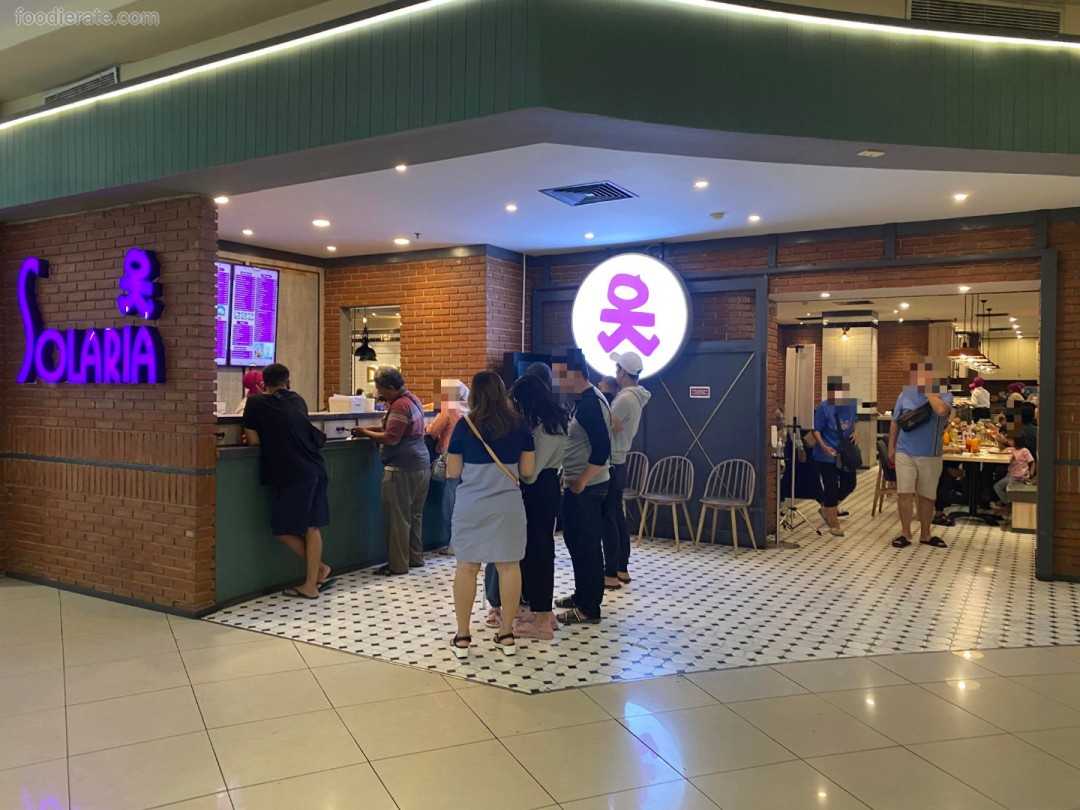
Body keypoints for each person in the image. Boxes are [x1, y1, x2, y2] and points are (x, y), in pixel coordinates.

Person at [446, 371, 535, 658]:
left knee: (467, 567)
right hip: (507, 506)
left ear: (474, 395)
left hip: (471, 506)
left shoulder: (464, 425)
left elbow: (453, 471)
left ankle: (462, 637)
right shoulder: (520, 425)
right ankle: (506, 634)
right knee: (509, 567)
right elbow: (527, 471)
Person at [241, 364, 330, 599]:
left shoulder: (255, 402)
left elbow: (253, 440)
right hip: (317, 467)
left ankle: (319, 571)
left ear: (263, 384)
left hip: (291, 473)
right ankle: (312, 582)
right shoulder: (298, 400)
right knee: (312, 527)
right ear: (288, 382)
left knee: (282, 529)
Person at [553, 349, 612, 625]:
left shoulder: (590, 404)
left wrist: (582, 480)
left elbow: (602, 449)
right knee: (576, 542)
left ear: (574, 373)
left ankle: (590, 608)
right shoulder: (584, 400)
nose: (556, 383)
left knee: (587, 546)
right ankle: (582, 595)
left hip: (588, 488)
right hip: (580, 485)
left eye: (559, 376)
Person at [508, 373, 569, 640]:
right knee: (540, 551)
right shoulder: (557, 422)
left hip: (539, 491)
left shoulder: (546, 430)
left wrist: (516, 468)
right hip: (549, 488)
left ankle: (543, 619)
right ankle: (543, 613)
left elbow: (531, 474)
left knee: (539, 553)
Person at [353, 366, 430, 576]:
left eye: (380, 389)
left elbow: (392, 438)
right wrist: (369, 429)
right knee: (414, 515)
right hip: (421, 466)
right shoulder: (413, 400)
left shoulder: (399, 406)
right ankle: (415, 557)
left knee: (397, 519)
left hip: (401, 468)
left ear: (389, 387)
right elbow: (396, 429)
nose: (379, 394)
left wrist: (366, 433)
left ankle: (398, 565)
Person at [888, 360, 953, 550]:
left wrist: (930, 393)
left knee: (927, 496)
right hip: (905, 451)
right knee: (904, 493)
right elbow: (895, 421)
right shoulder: (904, 395)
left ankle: (925, 534)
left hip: (930, 454)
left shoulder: (945, 395)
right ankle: (905, 533)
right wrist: (892, 446)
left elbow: (941, 411)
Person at [602, 351, 651, 589]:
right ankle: (622, 567)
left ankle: (610, 572)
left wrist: (606, 408)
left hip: (611, 463)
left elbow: (602, 426)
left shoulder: (624, 400)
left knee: (608, 519)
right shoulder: (635, 397)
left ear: (622, 372)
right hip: (620, 463)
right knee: (617, 516)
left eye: (617, 369)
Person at [426, 379, 469, 553]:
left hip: (452, 461)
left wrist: (427, 427)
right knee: (463, 503)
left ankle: (454, 544)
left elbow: (433, 431)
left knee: (450, 504)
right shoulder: (470, 409)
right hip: (469, 462)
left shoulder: (449, 410)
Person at [812, 377, 858, 538]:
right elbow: (816, 430)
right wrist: (824, 447)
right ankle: (834, 524)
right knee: (830, 487)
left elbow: (855, 421)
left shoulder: (851, 405)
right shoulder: (824, 407)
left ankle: (827, 509)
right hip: (826, 454)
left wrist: (855, 432)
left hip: (845, 453)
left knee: (850, 483)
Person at [993, 434, 1035, 513]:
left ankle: (1008, 503)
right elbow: (1002, 449)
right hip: (1012, 475)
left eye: (1011, 440)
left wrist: (1031, 473)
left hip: (1018, 477)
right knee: (1003, 483)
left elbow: (1032, 462)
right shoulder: (1012, 449)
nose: (1009, 441)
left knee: (997, 487)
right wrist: (999, 441)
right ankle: (1006, 500)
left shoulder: (1024, 451)